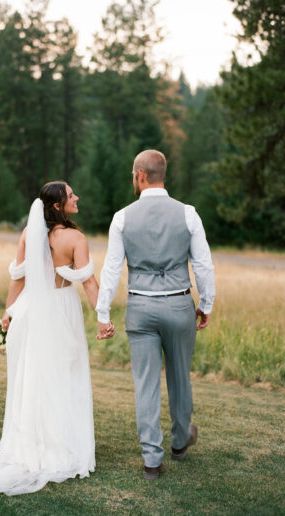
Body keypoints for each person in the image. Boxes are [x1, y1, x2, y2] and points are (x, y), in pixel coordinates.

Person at [0, 181, 114, 495]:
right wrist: (103, 320)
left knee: (34, 377)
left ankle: (33, 445)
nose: (76, 197)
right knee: (64, 375)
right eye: (71, 195)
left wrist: (9, 312)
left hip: (31, 310)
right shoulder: (75, 238)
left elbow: (17, 278)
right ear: (58, 205)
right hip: (61, 309)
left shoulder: (28, 235)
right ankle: (61, 447)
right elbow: (88, 283)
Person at [96, 150, 215, 480]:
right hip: (178, 306)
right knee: (180, 376)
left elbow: (111, 269)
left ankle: (152, 460)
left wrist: (103, 313)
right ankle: (179, 443)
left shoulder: (122, 217)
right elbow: (203, 264)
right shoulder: (188, 214)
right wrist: (206, 304)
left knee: (145, 383)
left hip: (141, 308)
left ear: (140, 175)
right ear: (162, 174)